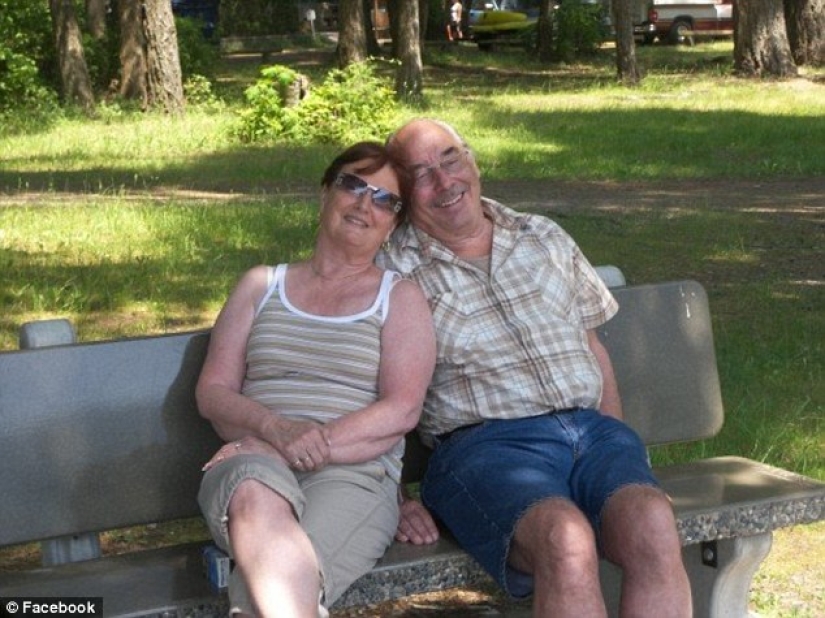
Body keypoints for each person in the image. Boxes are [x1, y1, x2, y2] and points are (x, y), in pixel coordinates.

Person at [383, 119, 692, 617]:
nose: (444, 181)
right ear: (402, 192)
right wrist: (392, 497)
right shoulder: (391, 271)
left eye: (450, 159)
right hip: (484, 449)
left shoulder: (542, 234)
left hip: (592, 434)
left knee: (652, 522)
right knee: (565, 539)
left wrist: (617, 445)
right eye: (421, 174)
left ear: (472, 160)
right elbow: (367, 390)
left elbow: (592, 347)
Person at [197, 141, 436, 618]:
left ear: (392, 224)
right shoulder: (260, 285)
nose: (365, 204)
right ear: (325, 192)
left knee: (269, 587)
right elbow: (213, 392)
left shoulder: (400, 298)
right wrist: (274, 429)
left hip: (354, 476)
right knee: (255, 496)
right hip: (253, 464)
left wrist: (300, 443)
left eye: (384, 199)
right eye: (353, 185)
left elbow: (402, 409)